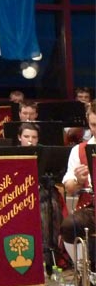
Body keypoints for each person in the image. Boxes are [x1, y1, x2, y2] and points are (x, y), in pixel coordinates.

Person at [16, 122, 65, 262]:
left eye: (34, 137)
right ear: (19, 137)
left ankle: (52, 252)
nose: (30, 140)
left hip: (42, 190)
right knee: (42, 206)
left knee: (52, 204)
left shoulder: (44, 154)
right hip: (19, 194)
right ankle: (40, 255)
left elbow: (54, 175)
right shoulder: (12, 154)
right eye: (26, 136)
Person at [60, 101, 96, 268]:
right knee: (69, 226)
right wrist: (79, 181)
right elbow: (68, 187)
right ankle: (84, 271)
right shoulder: (79, 150)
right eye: (94, 125)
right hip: (91, 208)